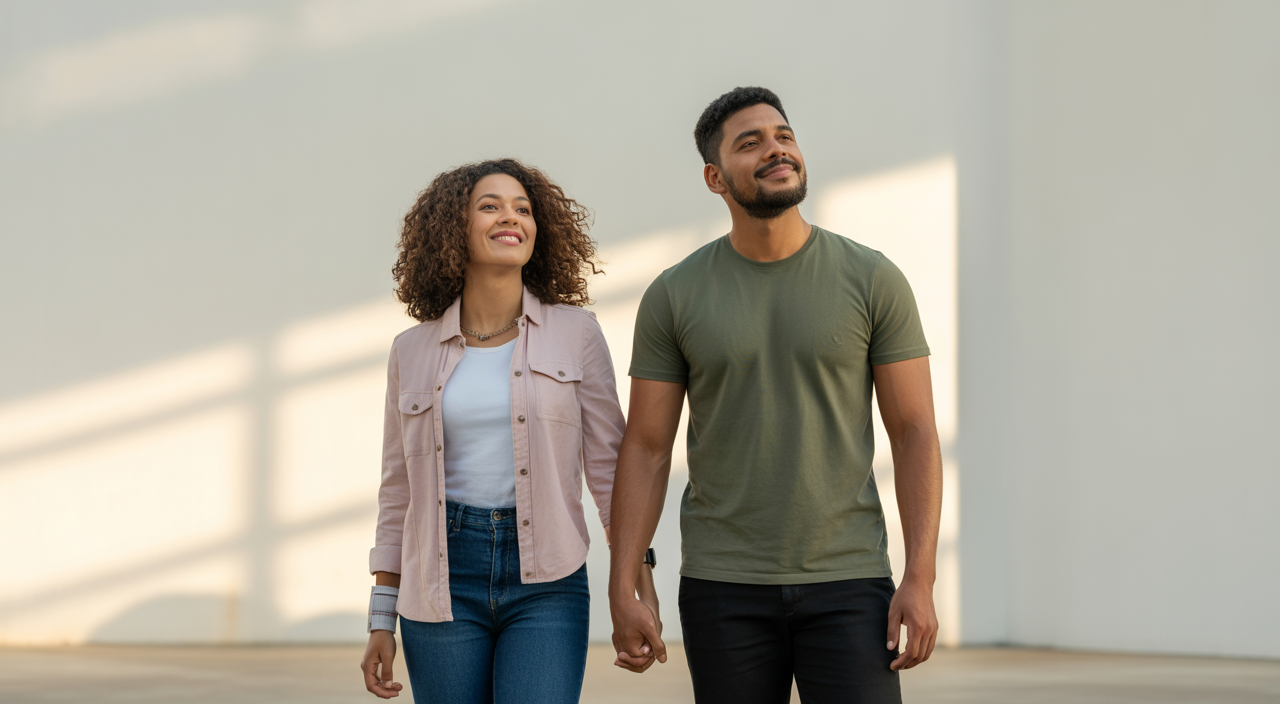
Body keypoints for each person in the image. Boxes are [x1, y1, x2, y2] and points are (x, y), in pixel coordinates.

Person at [607, 87, 943, 703]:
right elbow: (648, 446)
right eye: (750, 142)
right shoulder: (674, 294)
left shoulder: (873, 279)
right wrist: (624, 580)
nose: (775, 149)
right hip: (721, 583)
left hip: (849, 577)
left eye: (783, 135)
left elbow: (915, 431)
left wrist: (920, 576)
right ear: (715, 177)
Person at [360, 158, 659, 703]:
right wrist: (382, 616)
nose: (511, 217)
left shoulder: (576, 333)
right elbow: (397, 488)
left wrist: (639, 586)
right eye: (491, 205)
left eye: (523, 208)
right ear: (454, 227)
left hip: (548, 578)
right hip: (439, 581)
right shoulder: (412, 350)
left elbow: (611, 471)